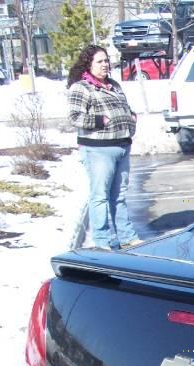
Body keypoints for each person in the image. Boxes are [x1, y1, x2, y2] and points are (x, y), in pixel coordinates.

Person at [66, 45, 140, 250]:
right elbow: (74, 117)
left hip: (122, 146)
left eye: (106, 60)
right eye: (100, 61)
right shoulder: (81, 87)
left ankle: (127, 236)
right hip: (98, 150)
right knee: (100, 196)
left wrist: (131, 117)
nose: (105, 64)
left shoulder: (114, 85)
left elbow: (123, 107)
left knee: (120, 196)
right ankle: (102, 240)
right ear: (88, 64)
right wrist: (100, 121)